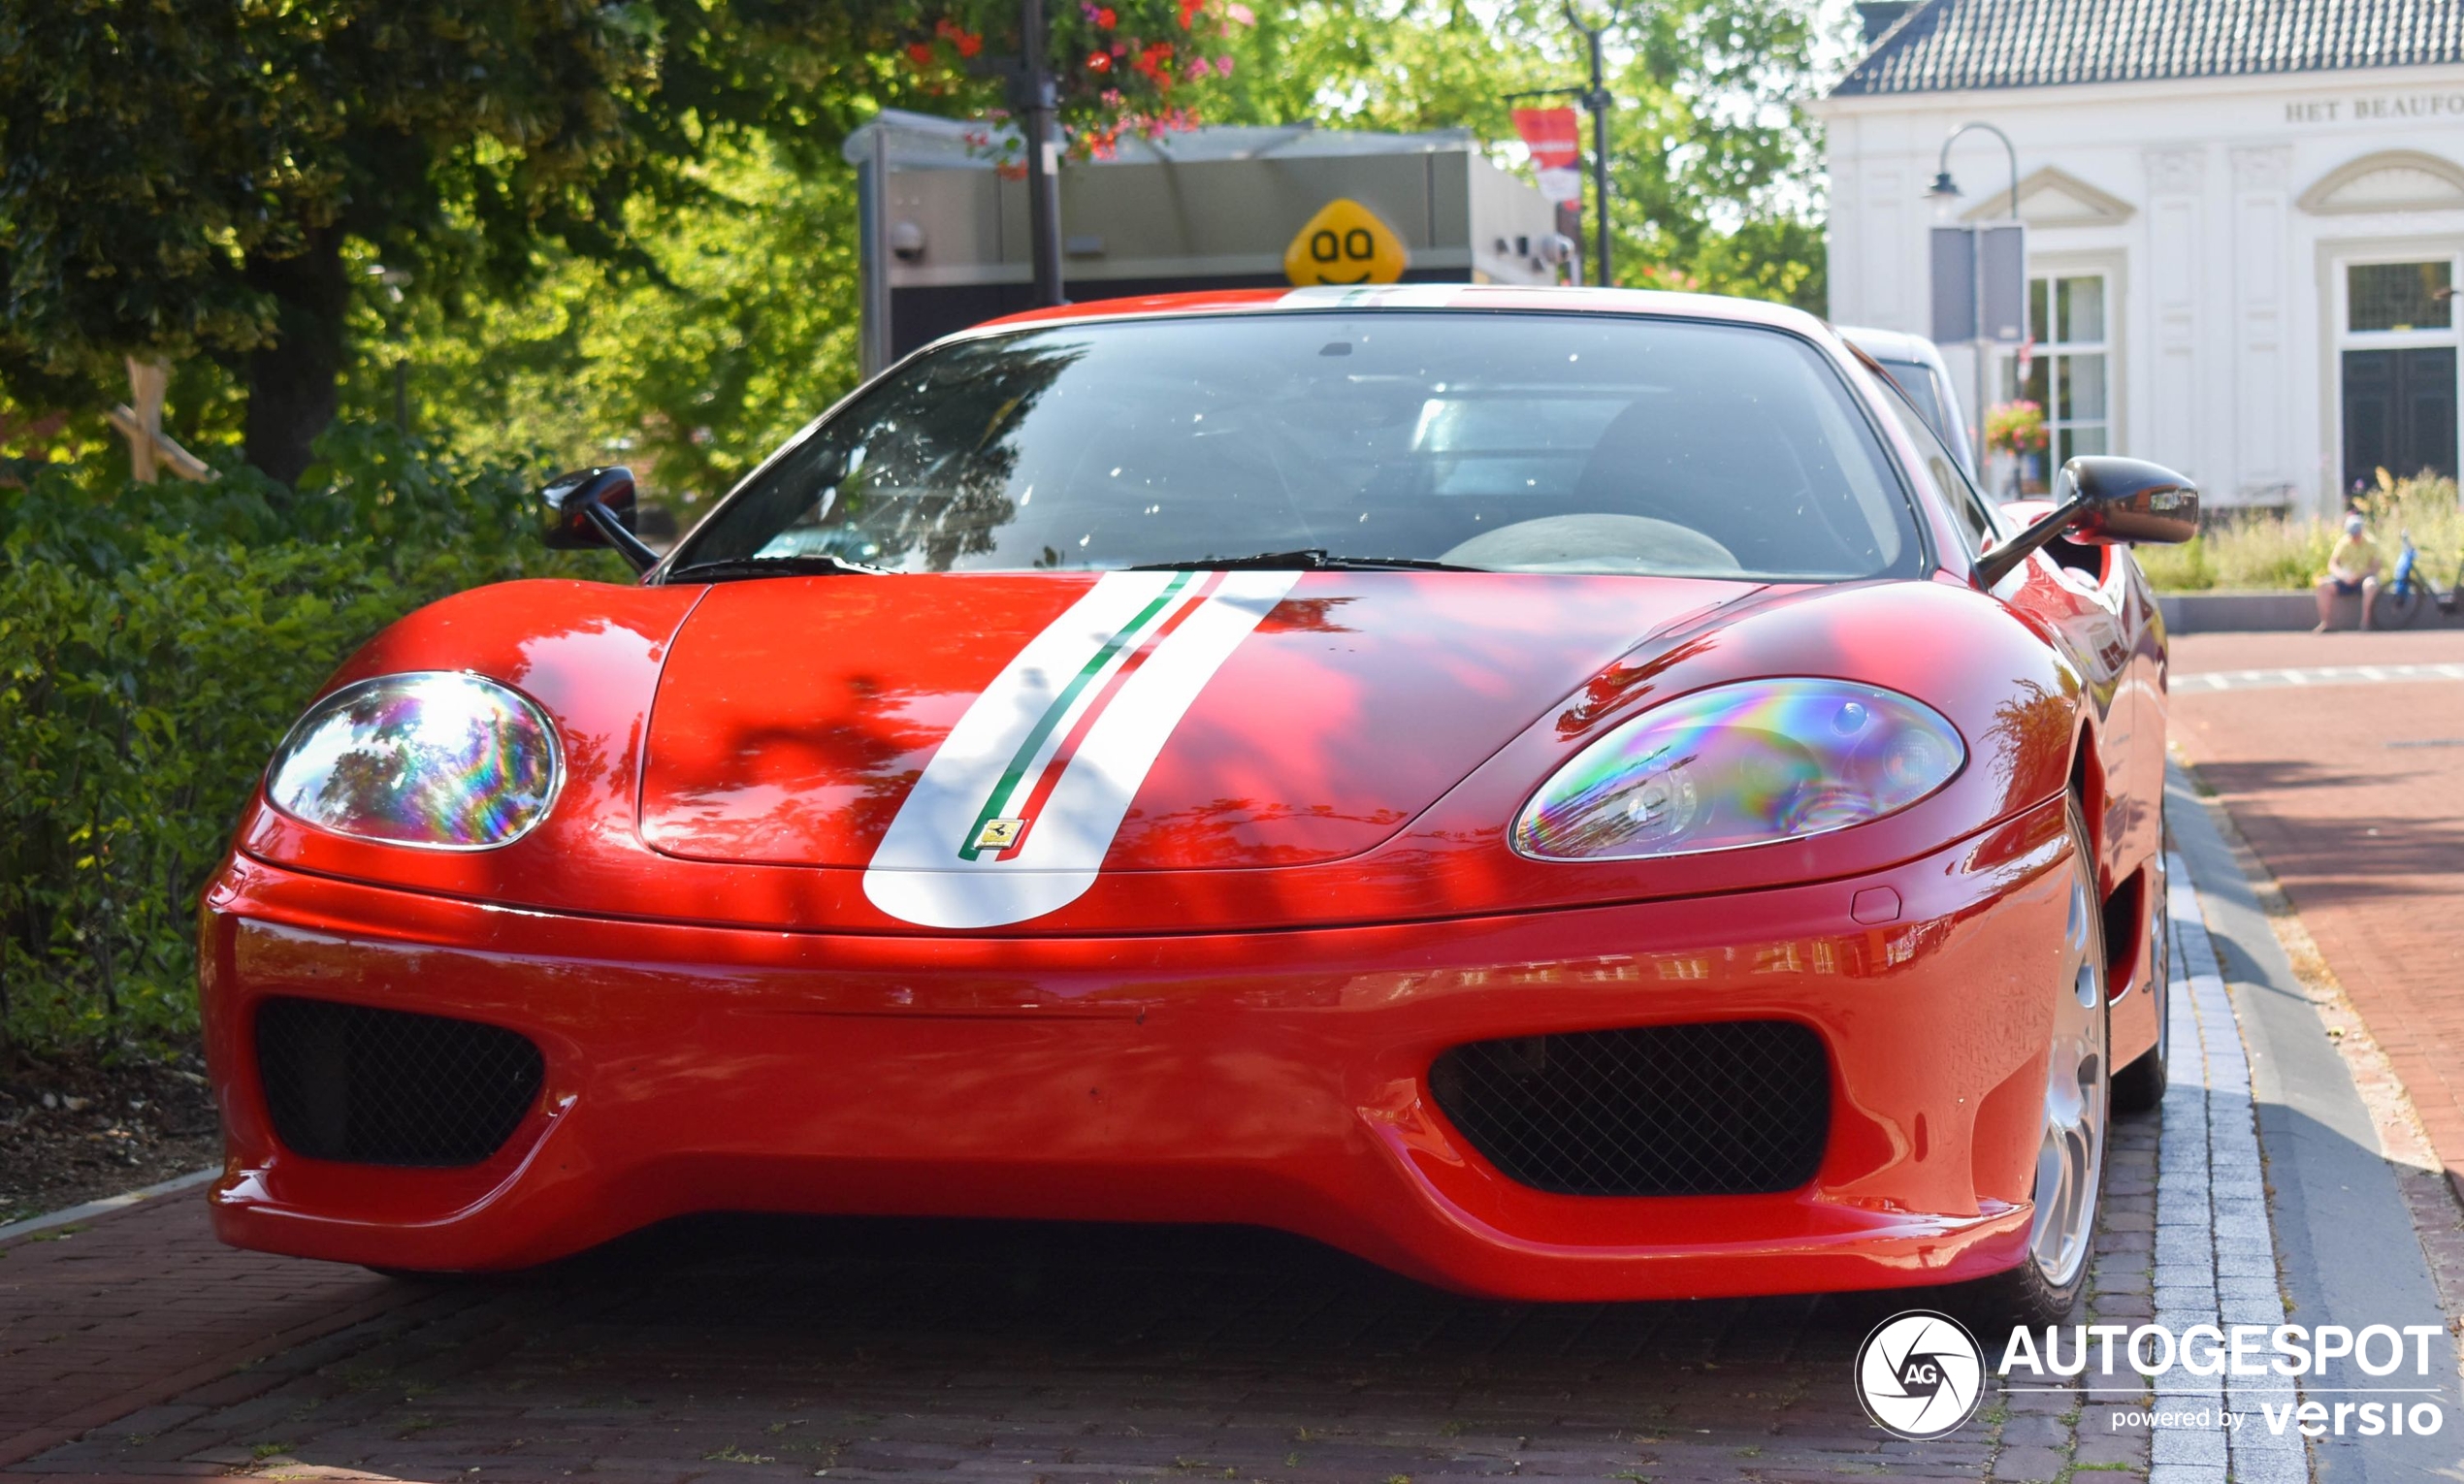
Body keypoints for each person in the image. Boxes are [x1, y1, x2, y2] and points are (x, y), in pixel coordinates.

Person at [2316, 512, 2383, 631]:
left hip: (2363, 579)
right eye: (2352, 533)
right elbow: (2332, 564)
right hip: (2344, 580)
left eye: (2357, 533)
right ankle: (2326, 624)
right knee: (2322, 585)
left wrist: (2360, 575)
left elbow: (2376, 567)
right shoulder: (2343, 543)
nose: (2355, 536)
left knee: (2371, 585)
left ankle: (2365, 623)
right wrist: (2343, 576)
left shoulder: (2371, 543)